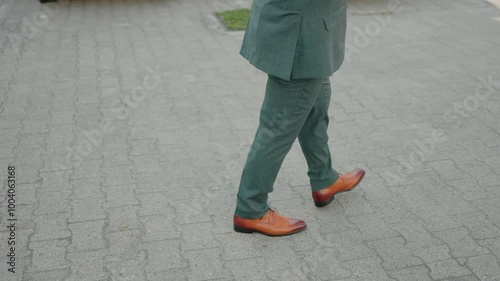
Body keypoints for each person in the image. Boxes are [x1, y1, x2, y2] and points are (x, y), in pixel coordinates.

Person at [233, 0, 365, 236]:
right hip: (301, 36)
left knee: (316, 106)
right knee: (277, 127)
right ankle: (250, 209)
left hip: (304, 28)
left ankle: (324, 178)